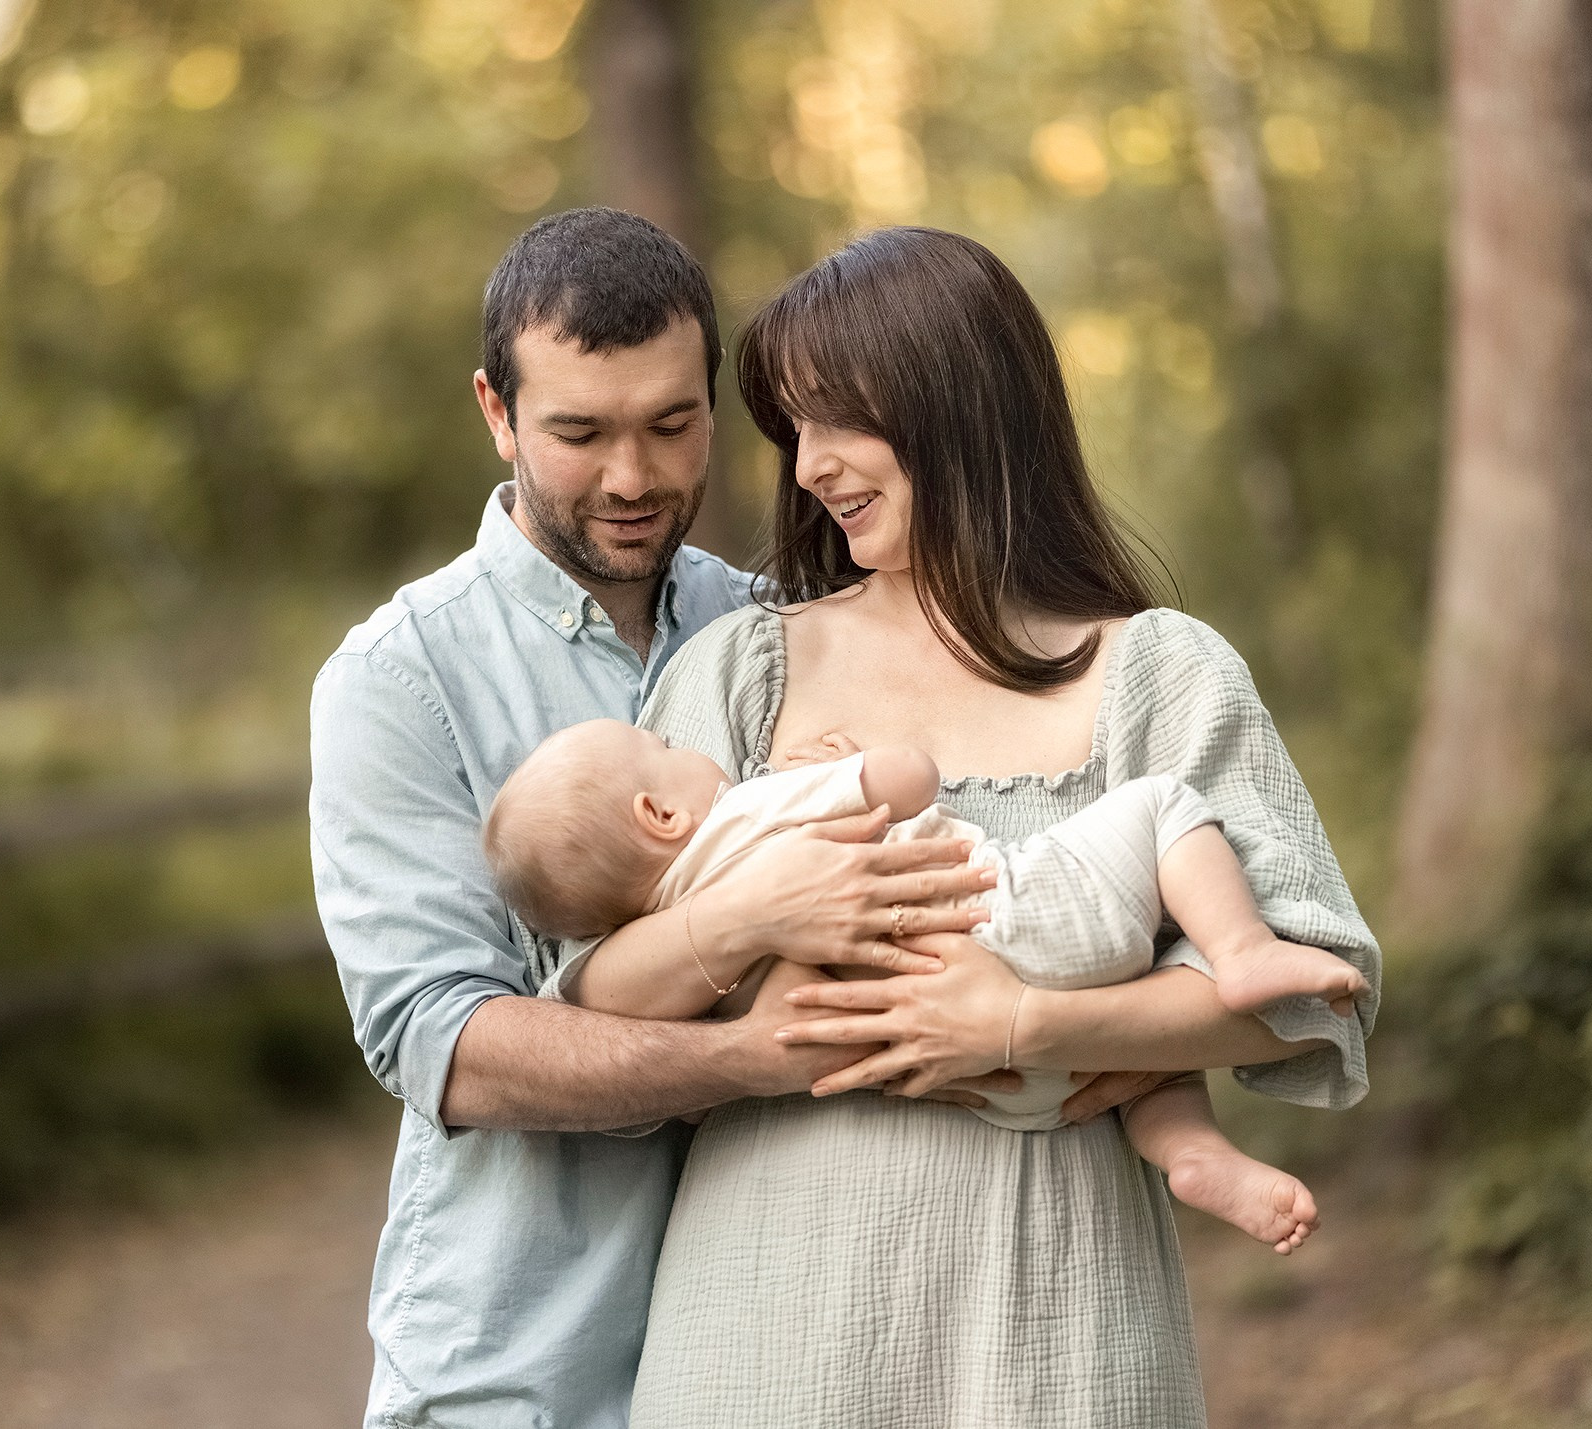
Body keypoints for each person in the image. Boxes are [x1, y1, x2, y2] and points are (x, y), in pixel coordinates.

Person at [564, 226, 1381, 1427]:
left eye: (840, 421)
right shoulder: (741, 667)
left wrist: (1021, 1022)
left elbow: (1315, 986)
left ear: (958, 405)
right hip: (768, 1317)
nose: (810, 467)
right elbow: (593, 999)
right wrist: (753, 915)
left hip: (1055, 1311)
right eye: (793, 430)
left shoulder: (1157, 672)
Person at [309, 209, 1012, 1429]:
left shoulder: (784, 626)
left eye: (670, 425)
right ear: (495, 412)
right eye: (578, 433)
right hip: (524, 1366)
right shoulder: (399, 680)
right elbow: (442, 1043)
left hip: (787, 1345)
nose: (631, 479)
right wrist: (751, 1056)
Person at [483, 718, 1370, 1254]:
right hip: (1016, 921)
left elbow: (601, 997)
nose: (687, 746)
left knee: (1138, 1077)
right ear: (660, 812)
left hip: (998, 1092)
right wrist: (838, 765)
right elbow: (912, 778)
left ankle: (1190, 1153)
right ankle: (1242, 948)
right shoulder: (753, 809)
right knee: (1162, 807)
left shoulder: (681, 954)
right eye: (666, 748)